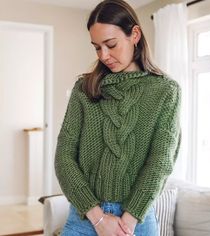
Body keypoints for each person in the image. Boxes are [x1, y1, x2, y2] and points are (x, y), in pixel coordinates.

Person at [55, 0, 181, 235]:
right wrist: (98, 218)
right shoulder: (84, 88)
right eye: (96, 47)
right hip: (84, 218)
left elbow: (161, 161)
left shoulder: (166, 91)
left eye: (110, 44)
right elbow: (64, 157)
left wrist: (128, 221)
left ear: (134, 34)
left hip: (137, 222)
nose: (104, 55)